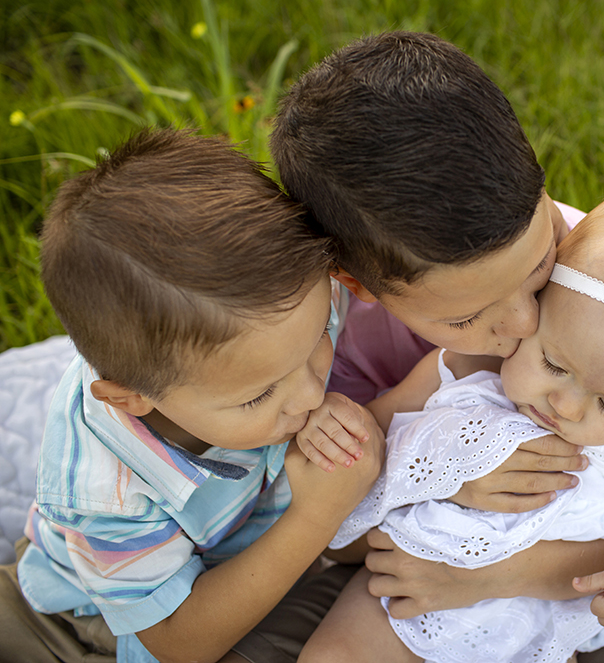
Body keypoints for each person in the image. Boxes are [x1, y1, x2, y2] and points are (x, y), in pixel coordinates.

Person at [254, 30, 604, 663]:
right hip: (406, 580)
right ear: (358, 285)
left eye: (539, 265)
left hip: (571, 589)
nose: (520, 322)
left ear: (541, 193)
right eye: (468, 317)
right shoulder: (341, 341)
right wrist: (443, 476)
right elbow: (338, 536)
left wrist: (500, 577)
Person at [297, 192, 604, 663]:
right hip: (408, 584)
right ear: (539, 303)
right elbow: (378, 427)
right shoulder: (464, 365)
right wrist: (342, 423)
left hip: (539, 610)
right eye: (553, 363)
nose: (567, 407)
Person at [0, 129, 385, 663]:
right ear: (133, 398)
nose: (307, 398)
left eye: (320, 334)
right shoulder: (103, 490)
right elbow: (178, 642)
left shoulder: (286, 305)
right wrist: (318, 516)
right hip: (86, 612)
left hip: (236, 555)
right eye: (259, 396)